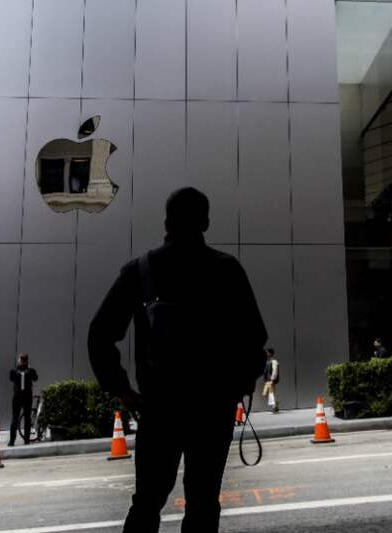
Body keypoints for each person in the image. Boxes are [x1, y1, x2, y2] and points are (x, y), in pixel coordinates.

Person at [89, 187, 268, 533]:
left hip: (159, 409)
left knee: (147, 503)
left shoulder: (139, 272)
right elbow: (254, 341)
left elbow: (100, 334)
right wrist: (238, 387)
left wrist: (123, 390)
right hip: (212, 410)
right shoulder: (227, 270)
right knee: (203, 504)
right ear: (206, 221)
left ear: (167, 221)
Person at [9, 354, 38, 446]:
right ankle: (26, 440)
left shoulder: (13, 371)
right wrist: (29, 368)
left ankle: (12, 441)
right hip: (27, 397)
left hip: (17, 397)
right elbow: (35, 378)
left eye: (19, 359)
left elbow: (11, 379)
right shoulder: (31, 371)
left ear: (21, 361)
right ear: (26, 361)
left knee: (14, 418)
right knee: (27, 418)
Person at [263, 348, 280, 413]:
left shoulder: (274, 361)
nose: (266, 354)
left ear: (270, 353)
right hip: (267, 380)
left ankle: (274, 407)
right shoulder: (268, 361)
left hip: (270, 380)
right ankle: (276, 405)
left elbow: (275, 371)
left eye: (267, 353)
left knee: (271, 393)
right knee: (266, 393)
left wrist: (272, 379)